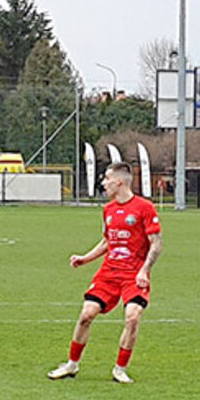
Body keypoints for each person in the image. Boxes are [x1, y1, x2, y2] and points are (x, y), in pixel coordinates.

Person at [49, 162, 162, 384]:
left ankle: (120, 369)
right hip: (109, 272)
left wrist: (144, 270)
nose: (103, 183)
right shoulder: (108, 210)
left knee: (132, 317)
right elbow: (107, 242)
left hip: (134, 274)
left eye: (107, 179)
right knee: (86, 315)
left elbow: (156, 244)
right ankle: (71, 365)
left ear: (119, 182)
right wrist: (85, 258)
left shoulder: (144, 208)